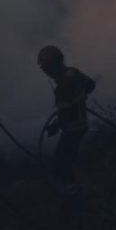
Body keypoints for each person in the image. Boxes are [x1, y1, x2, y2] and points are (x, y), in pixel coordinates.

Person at [37, 45, 95, 205]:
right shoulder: (73, 73)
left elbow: (67, 114)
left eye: (46, 67)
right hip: (79, 125)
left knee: (60, 164)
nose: (45, 71)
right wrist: (80, 98)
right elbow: (91, 85)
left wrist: (56, 126)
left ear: (55, 63)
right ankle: (75, 194)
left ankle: (75, 199)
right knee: (64, 162)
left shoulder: (64, 84)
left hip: (73, 129)